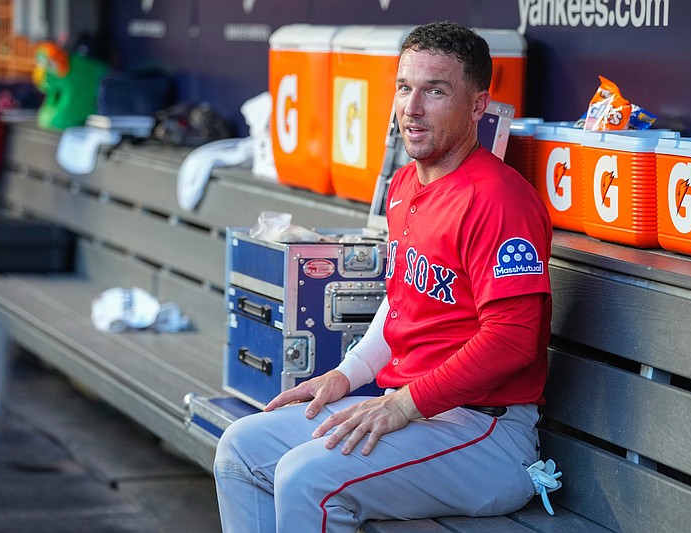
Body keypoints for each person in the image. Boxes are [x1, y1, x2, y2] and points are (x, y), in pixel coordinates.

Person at [214, 20, 560, 533]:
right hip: (410, 412)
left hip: (485, 432)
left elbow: (513, 340)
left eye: (435, 91)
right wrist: (346, 376)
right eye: (404, 88)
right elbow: (398, 303)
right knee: (240, 447)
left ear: (476, 105)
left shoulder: (498, 199)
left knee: (306, 478)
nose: (412, 108)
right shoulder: (404, 183)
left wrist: (404, 404)